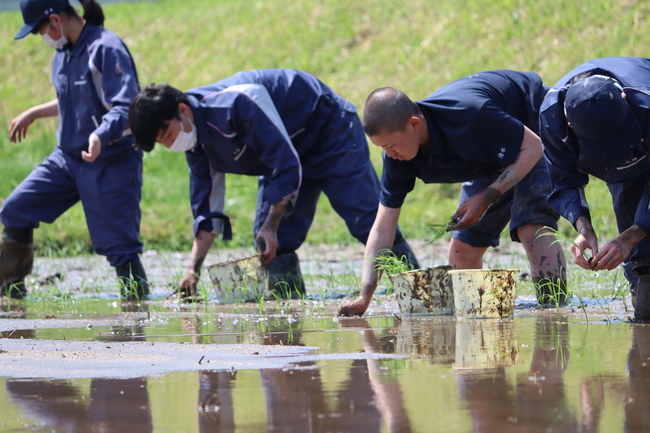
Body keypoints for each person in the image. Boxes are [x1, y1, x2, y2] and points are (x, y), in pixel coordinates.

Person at [128, 69, 419, 298]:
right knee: (270, 242)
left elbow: (286, 163)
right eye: (160, 142)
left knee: (367, 219)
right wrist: (192, 269)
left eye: (166, 134)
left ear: (183, 110)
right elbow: (208, 209)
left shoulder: (236, 103)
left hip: (328, 130)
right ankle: (289, 311)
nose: (169, 145)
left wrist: (271, 222)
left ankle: (418, 293)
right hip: (287, 154)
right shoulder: (196, 145)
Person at [338, 70, 568, 316]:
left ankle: (553, 314)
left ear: (414, 124)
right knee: (463, 248)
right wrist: (365, 297)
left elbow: (533, 146)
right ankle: (479, 322)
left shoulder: (468, 115)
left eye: (391, 145)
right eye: (382, 148)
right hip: (490, 154)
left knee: (531, 226)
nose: (389, 154)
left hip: (535, 127)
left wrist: (487, 197)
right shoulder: (397, 158)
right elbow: (383, 227)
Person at [1, 0, 148, 300]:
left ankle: (136, 311)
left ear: (55, 20)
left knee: (120, 247)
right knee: (16, 209)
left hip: (111, 160)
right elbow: (74, 98)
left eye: (41, 30)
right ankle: (10, 296)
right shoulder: (63, 53)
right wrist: (34, 112)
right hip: (67, 159)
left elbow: (126, 104)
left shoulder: (105, 48)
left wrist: (100, 135)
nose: (42, 37)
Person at [540, 57, 650, 322]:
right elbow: (564, 179)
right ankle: (641, 296)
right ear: (570, 125)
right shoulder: (554, 118)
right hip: (620, 166)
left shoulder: (645, 100)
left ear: (624, 98)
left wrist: (632, 235)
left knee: (637, 233)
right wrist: (582, 226)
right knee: (637, 249)